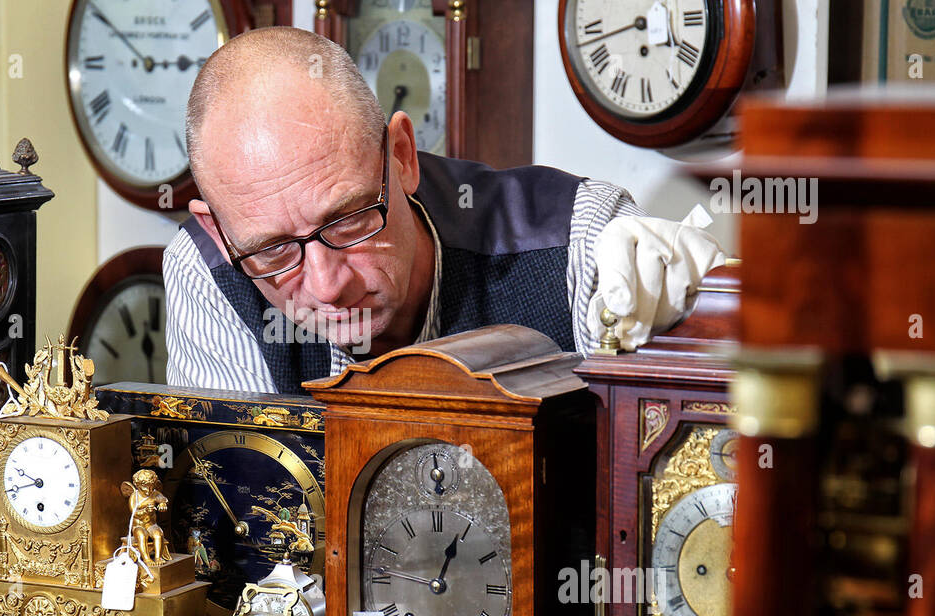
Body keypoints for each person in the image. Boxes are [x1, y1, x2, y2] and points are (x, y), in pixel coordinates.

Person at [165, 27, 723, 394]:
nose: (327, 286)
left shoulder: (577, 242)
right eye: (273, 250)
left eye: (347, 220)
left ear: (402, 157)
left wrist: (718, 316)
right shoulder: (210, 275)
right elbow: (245, 530)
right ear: (219, 230)